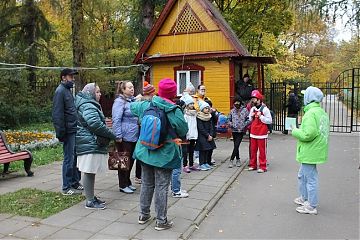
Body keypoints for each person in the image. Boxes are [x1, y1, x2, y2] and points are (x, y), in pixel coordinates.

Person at [130, 78, 188, 231]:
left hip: (145, 151)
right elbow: (183, 130)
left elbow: (131, 107)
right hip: (164, 155)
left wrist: (139, 97)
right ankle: (161, 221)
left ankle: (143, 215)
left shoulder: (147, 104)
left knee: (147, 184)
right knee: (162, 187)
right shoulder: (174, 110)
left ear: (159, 91)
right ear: (173, 94)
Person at [75, 83, 116, 209]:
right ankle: (89, 201)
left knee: (90, 171)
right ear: (90, 93)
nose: (100, 94)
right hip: (90, 142)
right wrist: (112, 135)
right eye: (97, 92)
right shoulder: (88, 105)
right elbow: (95, 124)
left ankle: (91, 197)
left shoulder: (88, 104)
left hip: (89, 142)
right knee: (88, 171)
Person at [291, 86, 329, 215]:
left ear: (309, 98)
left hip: (310, 152)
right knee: (303, 176)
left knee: (310, 178)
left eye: (305, 96)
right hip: (315, 150)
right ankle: (304, 198)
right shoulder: (320, 112)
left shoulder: (310, 114)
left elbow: (308, 134)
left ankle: (311, 206)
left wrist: (295, 131)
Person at [52, 68, 82, 195]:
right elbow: (57, 115)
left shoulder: (67, 91)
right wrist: (61, 133)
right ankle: (66, 187)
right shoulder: (60, 91)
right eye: (71, 77)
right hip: (67, 132)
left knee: (74, 157)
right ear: (64, 77)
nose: (73, 79)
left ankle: (75, 182)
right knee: (69, 159)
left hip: (73, 129)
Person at [112, 81, 140, 194]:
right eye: (129, 87)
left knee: (131, 160)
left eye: (133, 87)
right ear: (123, 90)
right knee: (123, 160)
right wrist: (118, 135)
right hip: (124, 136)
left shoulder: (132, 101)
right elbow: (116, 119)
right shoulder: (119, 102)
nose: (132, 89)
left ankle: (128, 182)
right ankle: (122, 185)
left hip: (133, 135)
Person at [247, 90, 272, 173]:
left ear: (259, 99)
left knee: (262, 151)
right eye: (252, 98)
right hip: (253, 132)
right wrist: (251, 116)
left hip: (262, 133)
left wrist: (261, 117)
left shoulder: (265, 109)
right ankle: (252, 165)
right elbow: (250, 119)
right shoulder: (253, 109)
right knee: (253, 150)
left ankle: (262, 166)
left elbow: (269, 121)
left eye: (255, 98)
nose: (253, 100)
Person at [228, 98, 250, 168]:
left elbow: (249, 119)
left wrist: (244, 125)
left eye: (238, 102)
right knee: (235, 145)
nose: (236, 104)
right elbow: (228, 119)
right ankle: (237, 159)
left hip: (241, 131)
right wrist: (232, 124)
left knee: (237, 145)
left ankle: (231, 159)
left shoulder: (245, 110)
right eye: (235, 102)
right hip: (234, 130)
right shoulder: (232, 111)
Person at [195, 101, 216, 171]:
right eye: (205, 108)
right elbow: (201, 128)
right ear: (202, 109)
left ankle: (205, 162)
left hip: (209, 135)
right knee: (202, 150)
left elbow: (211, 127)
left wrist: (211, 135)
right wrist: (207, 135)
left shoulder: (209, 116)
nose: (207, 109)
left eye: (208, 108)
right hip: (202, 136)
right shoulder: (199, 117)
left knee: (208, 149)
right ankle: (201, 164)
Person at [181, 93, 199, 172]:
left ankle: (191, 164)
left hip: (193, 135)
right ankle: (185, 165)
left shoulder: (194, 114)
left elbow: (195, 125)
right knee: (185, 151)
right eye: (190, 103)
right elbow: (185, 125)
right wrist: (186, 134)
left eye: (192, 103)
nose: (192, 105)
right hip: (187, 135)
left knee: (192, 150)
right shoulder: (186, 115)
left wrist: (195, 134)